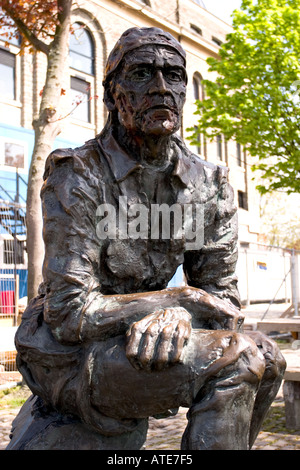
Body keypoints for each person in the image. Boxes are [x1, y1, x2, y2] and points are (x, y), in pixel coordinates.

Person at [9, 27, 286, 450]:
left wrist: (179, 314)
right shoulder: (78, 173)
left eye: (173, 76)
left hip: (148, 337)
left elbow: (222, 300)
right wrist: (177, 301)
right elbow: (69, 313)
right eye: (141, 74)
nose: (160, 88)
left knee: (268, 356)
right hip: (69, 352)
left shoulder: (208, 183)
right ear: (111, 94)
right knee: (240, 359)